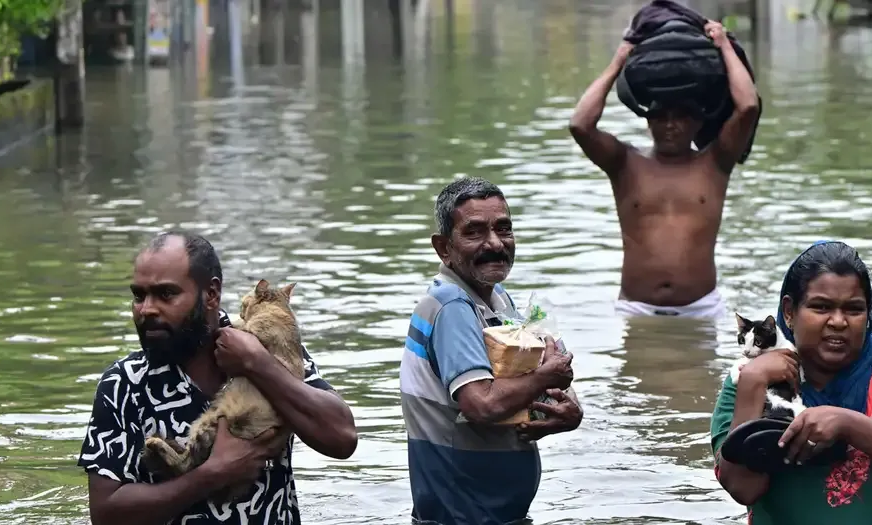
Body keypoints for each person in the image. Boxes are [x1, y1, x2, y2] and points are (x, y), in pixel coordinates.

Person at [77, 231, 358, 525]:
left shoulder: (269, 349)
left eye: (166, 294)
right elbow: (105, 514)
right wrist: (214, 473)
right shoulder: (123, 383)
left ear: (211, 294)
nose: (146, 309)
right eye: (139, 295)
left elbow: (342, 439)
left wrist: (257, 365)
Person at [709, 241, 872, 524]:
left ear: (868, 314)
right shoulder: (752, 376)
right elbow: (743, 488)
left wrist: (848, 424)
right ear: (789, 312)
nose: (838, 321)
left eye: (854, 309)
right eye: (821, 307)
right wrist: (753, 385)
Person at [400, 177, 584, 525]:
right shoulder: (451, 306)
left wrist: (564, 410)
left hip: (494, 512)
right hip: (461, 514)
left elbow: (518, 390)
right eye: (475, 232)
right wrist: (547, 375)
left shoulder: (497, 299)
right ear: (444, 248)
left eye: (504, 229)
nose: (495, 243)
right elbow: (483, 404)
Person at [568, 20, 760, 319]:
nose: (670, 125)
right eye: (660, 116)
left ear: (698, 122)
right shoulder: (624, 163)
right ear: (648, 121)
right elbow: (580, 124)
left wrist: (723, 44)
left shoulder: (715, 163)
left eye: (681, 116)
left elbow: (747, 106)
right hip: (636, 308)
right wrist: (619, 60)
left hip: (701, 309)